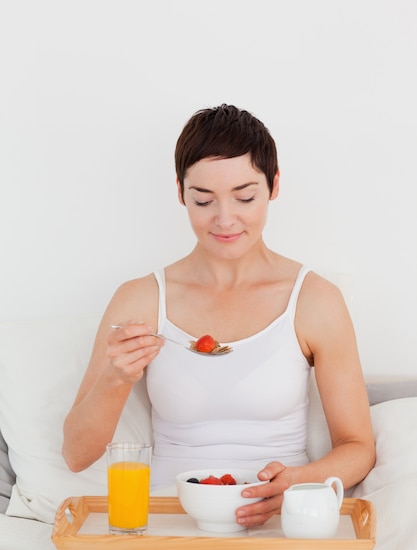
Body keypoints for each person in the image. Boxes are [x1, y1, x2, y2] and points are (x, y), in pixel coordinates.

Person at [62, 104, 375, 528]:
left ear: (274, 185)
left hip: (276, 520)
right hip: (170, 520)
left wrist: (301, 482)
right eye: (203, 200)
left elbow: (357, 445)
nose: (225, 219)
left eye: (245, 197)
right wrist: (116, 378)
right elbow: (76, 455)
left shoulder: (315, 300)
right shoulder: (140, 299)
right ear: (180, 192)